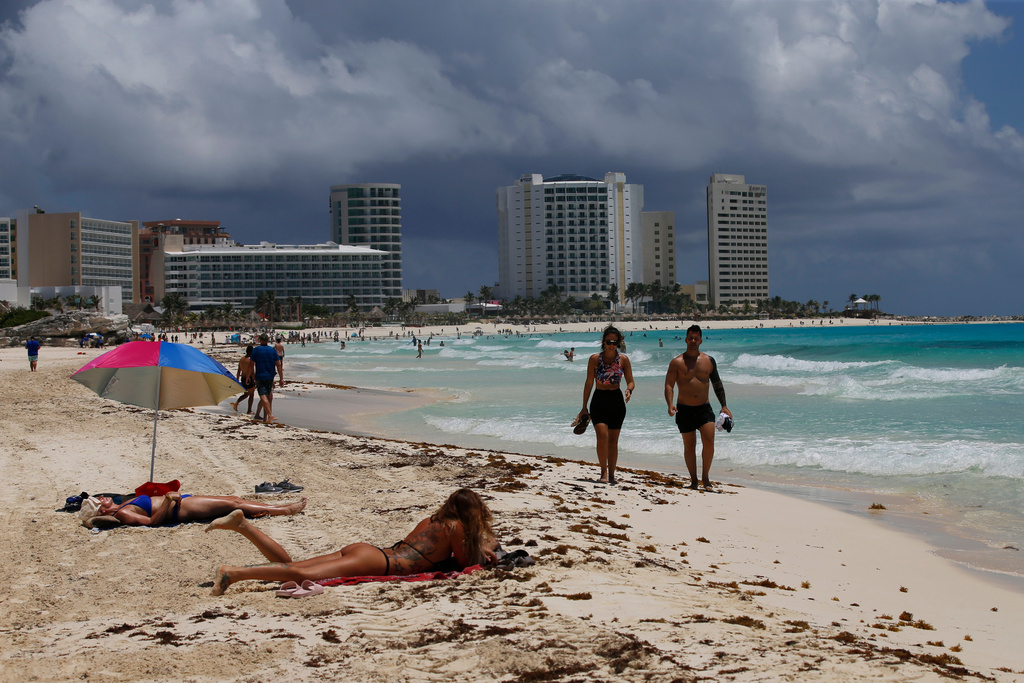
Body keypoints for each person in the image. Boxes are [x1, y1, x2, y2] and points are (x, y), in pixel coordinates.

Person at [207, 488, 497, 595]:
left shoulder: (433, 520)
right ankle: (234, 573)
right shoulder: (456, 527)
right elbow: (465, 563)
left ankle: (243, 525)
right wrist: (484, 548)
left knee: (293, 566)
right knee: (298, 573)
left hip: (371, 551)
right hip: (378, 562)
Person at [664, 324, 732, 490]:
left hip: (704, 408)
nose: (693, 341)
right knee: (689, 446)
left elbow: (717, 384)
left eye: (696, 338)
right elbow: (669, 385)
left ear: (701, 341)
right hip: (684, 409)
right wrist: (670, 403)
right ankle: (694, 480)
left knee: (709, 442)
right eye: (690, 338)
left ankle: (706, 478)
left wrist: (724, 405)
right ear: (686, 340)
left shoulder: (709, 361)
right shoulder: (677, 362)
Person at [576, 326, 634, 485]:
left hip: (616, 401)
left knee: (613, 441)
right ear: (604, 341)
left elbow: (630, 380)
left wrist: (629, 389)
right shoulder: (595, 359)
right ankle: (603, 472)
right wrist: (584, 407)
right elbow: (588, 383)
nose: (611, 344)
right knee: (602, 437)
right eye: (609, 341)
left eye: (615, 342)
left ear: (619, 342)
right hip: (599, 399)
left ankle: (612, 474)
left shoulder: (623, 360)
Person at [88, 492, 307, 527]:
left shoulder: (121, 504)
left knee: (233, 500)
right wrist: (167, 501)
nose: (102, 497)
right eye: (99, 502)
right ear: (103, 512)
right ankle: (284, 510)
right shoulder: (121, 513)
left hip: (179, 502)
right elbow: (152, 522)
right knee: (233, 503)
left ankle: (277, 508)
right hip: (179, 509)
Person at [251, 334, 283, 423]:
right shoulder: (272, 351)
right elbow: (278, 364)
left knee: (263, 396)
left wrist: (252, 377)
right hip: (270, 376)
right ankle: (266, 418)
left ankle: (270, 415)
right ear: (268, 340)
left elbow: (251, 364)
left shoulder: (256, 350)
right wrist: (281, 378)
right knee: (268, 396)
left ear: (260, 340)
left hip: (260, 376)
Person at [230, 345, 257, 414]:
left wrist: (237, 379)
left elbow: (239, 371)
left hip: (243, 378)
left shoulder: (242, 359)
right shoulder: (250, 360)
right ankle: (249, 410)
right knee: (251, 395)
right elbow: (252, 372)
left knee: (246, 394)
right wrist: (255, 380)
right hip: (249, 379)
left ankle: (236, 403)